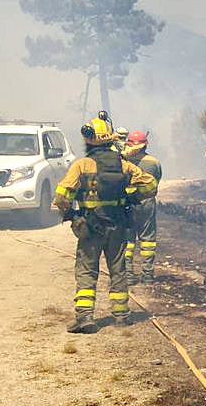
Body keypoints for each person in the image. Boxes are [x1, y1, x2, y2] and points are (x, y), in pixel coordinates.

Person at [53, 117, 158, 333]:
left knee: (86, 270)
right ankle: (121, 316)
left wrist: (71, 215)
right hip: (117, 225)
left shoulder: (81, 165)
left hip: (90, 228)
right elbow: (150, 185)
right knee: (118, 269)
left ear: (89, 140)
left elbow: (61, 195)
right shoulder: (123, 165)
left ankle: (85, 318)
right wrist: (131, 198)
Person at [122, 130, 163, 283]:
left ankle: (128, 274)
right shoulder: (154, 162)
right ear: (146, 145)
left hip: (128, 203)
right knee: (148, 240)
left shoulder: (123, 161)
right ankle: (147, 274)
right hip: (147, 202)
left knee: (128, 239)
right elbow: (155, 181)